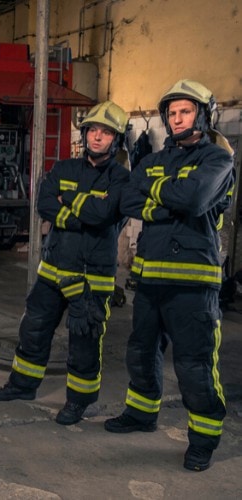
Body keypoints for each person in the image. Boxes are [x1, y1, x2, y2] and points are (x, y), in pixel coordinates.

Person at [106, 79, 234, 472]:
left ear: (202, 114)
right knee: (141, 353)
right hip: (149, 280)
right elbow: (128, 198)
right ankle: (142, 414)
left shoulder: (217, 160)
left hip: (193, 286)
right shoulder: (153, 160)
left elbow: (195, 200)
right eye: (173, 113)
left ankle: (204, 441)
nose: (178, 119)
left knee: (194, 365)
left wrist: (156, 193)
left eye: (186, 111)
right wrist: (171, 195)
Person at [0, 101, 131, 426]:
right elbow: (45, 203)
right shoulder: (64, 168)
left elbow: (104, 215)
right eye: (93, 130)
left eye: (105, 132)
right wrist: (86, 210)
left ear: (116, 139)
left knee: (85, 340)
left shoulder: (122, 179)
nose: (97, 137)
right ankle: (22, 385)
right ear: (85, 134)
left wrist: (69, 205)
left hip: (92, 277)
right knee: (34, 330)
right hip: (53, 271)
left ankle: (78, 402)